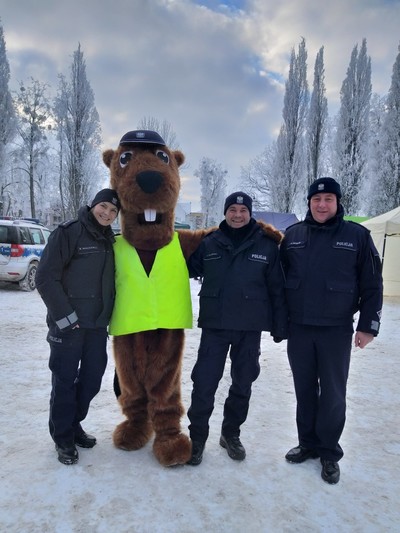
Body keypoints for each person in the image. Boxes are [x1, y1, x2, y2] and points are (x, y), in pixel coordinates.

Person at [280, 177, 383, 484]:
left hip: (336, 330)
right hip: (299, 328)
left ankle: (328, 451)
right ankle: (308, 443)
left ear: (338, 203)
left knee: (334, 394)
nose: (322, 205)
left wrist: (368, 326)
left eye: (328, 199)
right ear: (309, 203)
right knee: (304, 389)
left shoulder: (357, 236)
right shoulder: (293, 235)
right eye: (316, 200)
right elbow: (277, 280)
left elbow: (372, 284)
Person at [186, 191, 288, 465]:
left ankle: (230, 433)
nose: (238, 215)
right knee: (204, 383)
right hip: (215, 326)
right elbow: (183, 268)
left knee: (243, 383)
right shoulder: (209, 243)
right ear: (225, 212)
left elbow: (276, 288)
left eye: (243, 211)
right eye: (232, 210)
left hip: (249, 327)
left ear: (250, 213)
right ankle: (196, 439)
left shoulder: (266, 245)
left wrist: (280, 325)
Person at [36, 188, 120, 465]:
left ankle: (74, 423)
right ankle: (63, 437)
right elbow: (46, 277)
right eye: (104, 206)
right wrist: (65, 317)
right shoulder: (69, 232)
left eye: (113, 211)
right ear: (93, 205)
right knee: (64, 381)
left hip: (96, 326)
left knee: (92, 379)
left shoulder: (111, 240)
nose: (106, 213)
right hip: (68, 326)